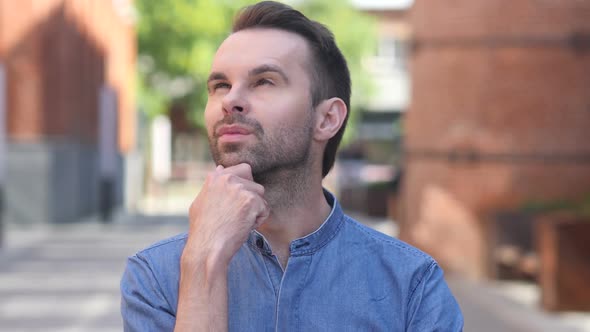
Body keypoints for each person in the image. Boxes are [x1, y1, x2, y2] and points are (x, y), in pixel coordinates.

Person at [120, 1, 464, 331]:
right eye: (221, 85)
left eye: (264, 82)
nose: (231, 101)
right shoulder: (157, 277)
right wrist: (204, 262)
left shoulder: (411, 286)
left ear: (327, 118)